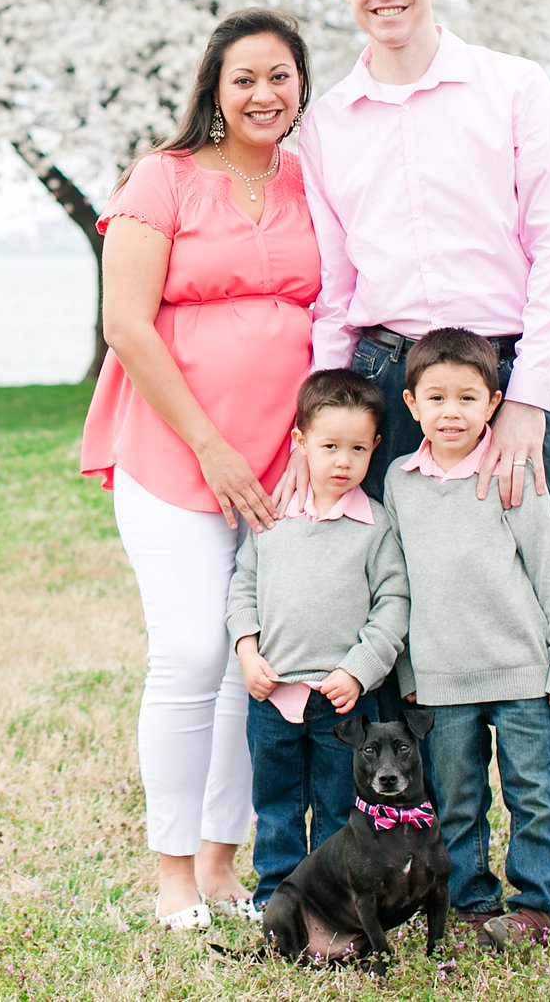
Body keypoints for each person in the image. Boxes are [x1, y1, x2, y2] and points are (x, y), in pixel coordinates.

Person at [294, 0, 550, 954]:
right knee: (395, 623)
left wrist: (527, 400)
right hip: (380, 378)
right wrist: (328, 422)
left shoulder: (512, 88)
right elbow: (331, 287)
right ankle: (419, 880)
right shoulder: (327, 123)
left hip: (501, 375)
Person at [81, 7, 319, 930]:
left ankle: (223, 862)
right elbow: (126, 325)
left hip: (282, 464)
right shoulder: (164, 179)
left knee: (247, 665)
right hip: (177, 452)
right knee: (188, 652)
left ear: (302, 88)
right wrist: (212, 446)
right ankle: (172, 872)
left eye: (281, 77)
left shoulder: (310, 182)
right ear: (215, 92)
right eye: (245, 79)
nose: (264, 94)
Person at [385, 327, 550, 948]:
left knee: (533, 793)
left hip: (521, 669)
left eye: (469, 399)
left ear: (494, 403)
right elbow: (397, 581)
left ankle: (537, 904)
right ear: (412, 404)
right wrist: (411, 675)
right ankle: (472, 902)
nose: (453, 413)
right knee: (457, 796)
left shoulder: (511, 470)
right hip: (442, 676)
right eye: (437, 398)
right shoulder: (399, 480)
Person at [225, 368, 407, 910]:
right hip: (272, 693)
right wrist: (246, 650)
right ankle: (277, 900)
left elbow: (393, 606)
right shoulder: (273, 520)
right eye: (329, 446)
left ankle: (334, 900)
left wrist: (358, 670)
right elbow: (243, 588)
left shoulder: (375, 527)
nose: (343, 462)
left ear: (376, 446)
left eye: (357, 448)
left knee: (337, 805)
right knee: (277, 804)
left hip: (341, 700)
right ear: (300, 443)